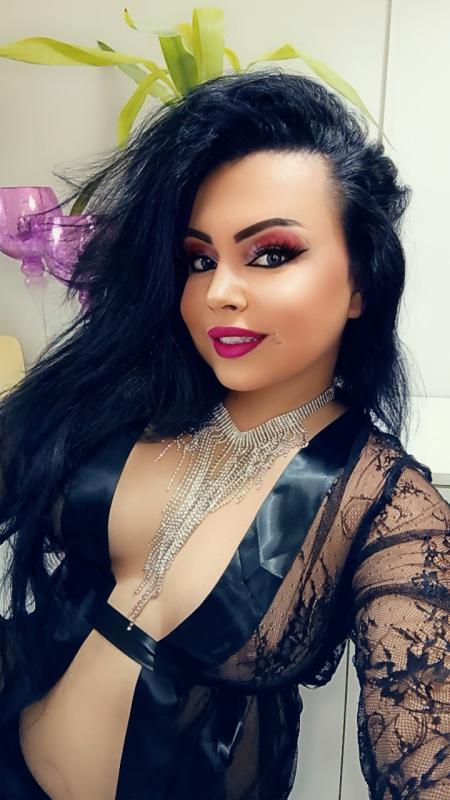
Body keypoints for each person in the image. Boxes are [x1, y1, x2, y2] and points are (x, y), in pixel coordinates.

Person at [0, 68, 449, 800]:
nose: (219, 292)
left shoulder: (386, 509)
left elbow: (427, 744)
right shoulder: (129, 395)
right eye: (199, 259)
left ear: (362, 282)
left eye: (270, 254)